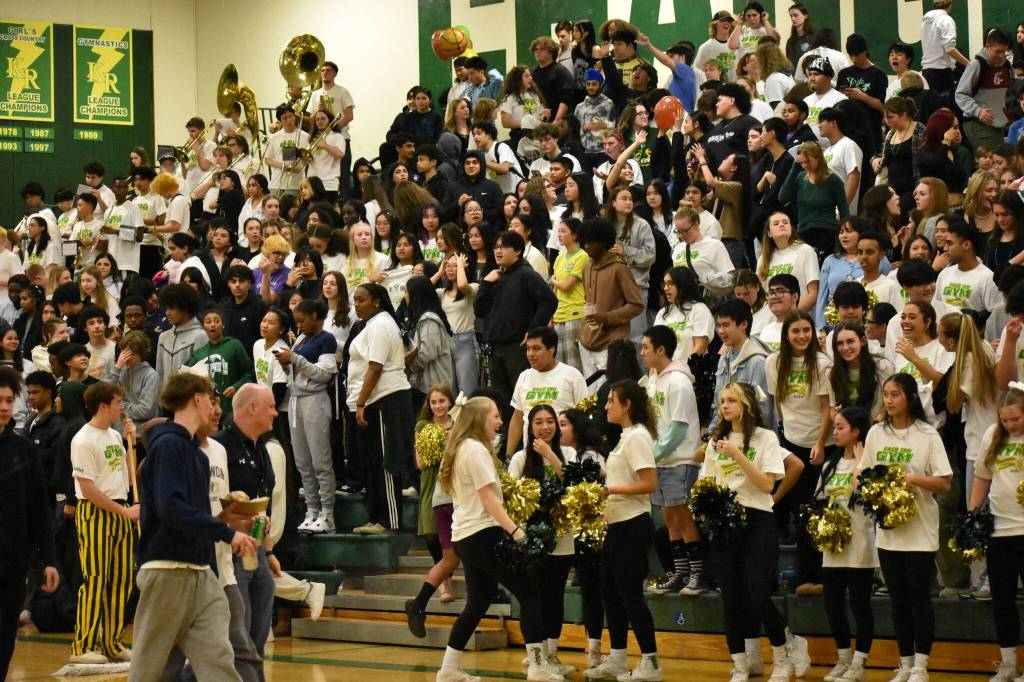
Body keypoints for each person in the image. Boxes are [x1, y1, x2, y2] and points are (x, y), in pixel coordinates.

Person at [130, 373, 259, 681]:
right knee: (150, 667)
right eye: (212, 400)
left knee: (219, 658)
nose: (216, 409)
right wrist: (227, 532)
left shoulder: (198, 457)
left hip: (201, 571)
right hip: (166, 570)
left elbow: (195, 518)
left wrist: (229, 528)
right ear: (197, 398)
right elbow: (171, 508)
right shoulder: (167, 447)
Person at [432, 396, 563, 682]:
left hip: (465, 536)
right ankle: (539, 667)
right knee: (530, 593)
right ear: (480, 419)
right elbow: (489, 499)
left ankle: (449, 669)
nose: (501, 422)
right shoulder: (476, 450)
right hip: (482, 533)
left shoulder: (463, 448)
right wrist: (516, 531)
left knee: (478, 602)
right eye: (495, 416)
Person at [700, 381, 810, 682]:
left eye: (732, 400)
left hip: (758, 519)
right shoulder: (715, 441)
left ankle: (785, 649)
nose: (725, 406)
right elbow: (707, 482)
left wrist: (737, 455)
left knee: (759, 593)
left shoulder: (766, 438)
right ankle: (742, 662)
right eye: (722, 400)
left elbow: (766, 485)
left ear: (747, 404)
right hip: (724, 523)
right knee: (731, 596)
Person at [857, 373, 952, 682]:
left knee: (918, 599)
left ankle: (922, 665)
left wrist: (911, 479)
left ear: (910, 397)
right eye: (886, 394)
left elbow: (944, 482)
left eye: (895, 394)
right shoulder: (875, 434)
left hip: (920, 531)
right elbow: (862, 475)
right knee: (897, 601)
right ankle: (906, 663)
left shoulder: (927, 434)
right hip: (888, 533)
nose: (889, 399)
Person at [583, 380, 662, 681]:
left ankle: (652, 662)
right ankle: (617, 658)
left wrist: (609, 489)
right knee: (610, 591)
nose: (606, 406)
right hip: (617, 524)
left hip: (633, 523)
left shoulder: (637, 437)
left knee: (629, 594)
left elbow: (649, 483)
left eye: (611, 401)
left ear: (627, 405)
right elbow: (623, 473)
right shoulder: (624, 437)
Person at [508, 404, 578, 676]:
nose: (546, 427)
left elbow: (574, 484)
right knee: (533, 598)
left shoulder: (569, 453)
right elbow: (512, 500)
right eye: (539, 422)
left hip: (563, 536)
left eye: (551, 422)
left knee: (555, 597)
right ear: (530, 426)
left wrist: (550, 454)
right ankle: (536, 658)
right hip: (532, 539)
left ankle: (551, 655)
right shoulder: (520, 459)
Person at [69, 382, 136, 664]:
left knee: (122, 579)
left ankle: (112, 642)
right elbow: (88, 489)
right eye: (118, 402)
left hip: (120, 508)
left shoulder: (115, 436)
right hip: (95, 512)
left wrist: (133, 439)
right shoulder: (83, 439)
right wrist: (124, 513)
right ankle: (84, 646)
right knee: (96, 579)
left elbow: (123, 475)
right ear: (103, 406)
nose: (122, 407)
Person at [765, 310, 831, 594]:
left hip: (822, 444)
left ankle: (827, 576)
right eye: (796, 331)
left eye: (807, 330)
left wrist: (818, 442)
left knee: (821, 511)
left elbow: (826, 408)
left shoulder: (822, 363)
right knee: (801, 511)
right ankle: (807, 577)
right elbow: (779, 403)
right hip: (791, 443)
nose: (802, 336)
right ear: (786, 334)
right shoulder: (774, 362)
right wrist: (786, 436)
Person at [210, 384, 278, 657]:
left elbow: (262, 503)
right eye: (270, 406)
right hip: (231, 547)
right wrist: (232, 527)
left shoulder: (262, 447)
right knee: (240, 623)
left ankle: (253, 671)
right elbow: (214, 501)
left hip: (257, 548)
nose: (275, 413)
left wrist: (269, 550)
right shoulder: (219, 446)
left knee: (263, 607)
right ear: (252, 408)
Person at [0, 367, 58, 680]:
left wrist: (48, 560)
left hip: (13, 562)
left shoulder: (24, 450)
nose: (5, 406)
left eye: (10, 400)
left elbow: (39, 510)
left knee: (6, 636)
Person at [639, 326, 704, 597]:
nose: (641, 352)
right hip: (661, 461)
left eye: (645, 347)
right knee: (668, 517)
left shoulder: (679, 381)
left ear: (661, 350)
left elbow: (678, 428)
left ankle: (698, 575)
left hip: (680, 459)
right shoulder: (653, 381)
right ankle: (680, 572)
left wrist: (649, 455)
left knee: (683, 515)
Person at [815, 407, 878, 681]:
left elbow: (860, 491)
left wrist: (861, 460)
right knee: (833, 604)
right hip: (834, 548)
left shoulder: (869, 463)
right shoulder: (831, 463)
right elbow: (818, 499)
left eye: (840, 427)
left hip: (861, 544)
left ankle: (859, 664)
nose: (835, 432)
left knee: (860, 605)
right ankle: (843, 658)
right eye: (835, 427)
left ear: (856, 431)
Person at [348, 284, 415, 534]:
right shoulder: (376, 323)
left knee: (387, 462)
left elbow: (375, 367)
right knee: (372, 460)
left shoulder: (381, 324)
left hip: (387, 399)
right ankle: (377, 518)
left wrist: (360, 402)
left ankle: (390, 521)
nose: (357, 304)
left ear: (376, 301)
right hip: (377, 399)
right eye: (354, 300)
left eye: (361, 300)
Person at [969, 385, 1024, 681]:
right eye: (1005, 420)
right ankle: (1008, 663)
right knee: (1002, 600)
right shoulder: (992, 435)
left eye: (1015, 419)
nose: (1010, 425)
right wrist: (972, 515)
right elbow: (982, 477)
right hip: (1000, 530)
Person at [474, 230, 557, 417]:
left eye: (503, 247)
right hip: (495, 347)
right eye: (495, 247)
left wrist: (533, 330)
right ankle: (506, 441)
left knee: (521, 398)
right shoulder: (495, 276)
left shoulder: (526, 274)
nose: (498, 251)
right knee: (500, 400)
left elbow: (549, 300)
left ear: (518, 251)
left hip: (516, 348)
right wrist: (485, 284)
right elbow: (479, 310)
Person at [577, 218, 644, 378]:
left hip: (611, 346)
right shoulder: (587, 267)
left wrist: (606, 317)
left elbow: (636, 305)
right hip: (586, 343)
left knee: (608, 396)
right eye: (585, 241)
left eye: (592, 241)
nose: (587, 246)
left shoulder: (619, 269)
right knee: (590, 399)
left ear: (605, 241)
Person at [710, 299, 774, 431]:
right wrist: (712, 434)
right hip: (727, 435)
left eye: (726, 325)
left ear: (744, 324)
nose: (721, 331)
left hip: (750, 437)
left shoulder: (758, 361)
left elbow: (763, 410)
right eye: (719, 325)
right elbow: (718, 405)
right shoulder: (723, 359)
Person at [779, 144, 849, 260]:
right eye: (802, 163)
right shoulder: (800, 178)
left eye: (808, 161)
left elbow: (844, 210)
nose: (805, 166)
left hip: (827, 233)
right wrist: (794, 168)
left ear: (817, 158)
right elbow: (783, 197)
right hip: (804, 233)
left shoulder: (833, 180)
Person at [184, 308, 255, 418]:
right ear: (203, 327)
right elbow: (183, 373)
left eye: (217, 321)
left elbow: (250, 373)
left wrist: (236, 387)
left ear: (223, 325)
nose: (213, 324)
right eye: (208, 322)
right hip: (208, 412)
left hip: (232, 410)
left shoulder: (234, 345)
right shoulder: (199, 353)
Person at [955, 28, 1014, 151]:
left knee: (996, 163)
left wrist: (1005, 113)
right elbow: (960, 94)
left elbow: (1010, 91)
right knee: (990, 163)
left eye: (1004, 51)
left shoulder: (1007, 66)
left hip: (998, 123)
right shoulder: (976, 65)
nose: (1001, 56)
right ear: (987, 46)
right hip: (976, 122)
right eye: (997, 51)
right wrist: (978, 111)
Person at [935, 216, 1002, 313]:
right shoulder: (944, 274)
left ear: (966, 245)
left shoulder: (988, 278)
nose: (945, 249)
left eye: (950, 243)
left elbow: (995, 316)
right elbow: (937, 309)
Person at [156, 283, 208, 385]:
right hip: (166, 399)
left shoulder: (200, 336)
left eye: (171, 308)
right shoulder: (163, 337)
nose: (167, 313)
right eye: (166, 308)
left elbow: (201, 378)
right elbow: (159, 375)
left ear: (185, 307)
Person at [818, 108, 863, 213]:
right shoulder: (827, 151)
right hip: (826, 211)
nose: (819, 126)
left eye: (821, 121)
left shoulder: (848, 145)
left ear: (833, 123)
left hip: (842, 214)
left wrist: (842, 209)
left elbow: (854, 177)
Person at [115, 330, 160, 424]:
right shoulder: (121, 370)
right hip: (120, 427)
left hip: (141, 430)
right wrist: (117, 368)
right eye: (124, 351)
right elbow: (105, 396)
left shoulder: (151, 375)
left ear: (141, 353)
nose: (125, 356)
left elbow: (145, 411)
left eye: (130, 353)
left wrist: (118, 406)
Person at [529, 37, 574, 125]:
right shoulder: (532, 73)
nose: (538, 52)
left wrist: (557, 121)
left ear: (551, 52)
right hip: (538, 122)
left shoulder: (560, 71)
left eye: (542, 49)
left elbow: (566, 99)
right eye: (536, 49)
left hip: (556, 122)